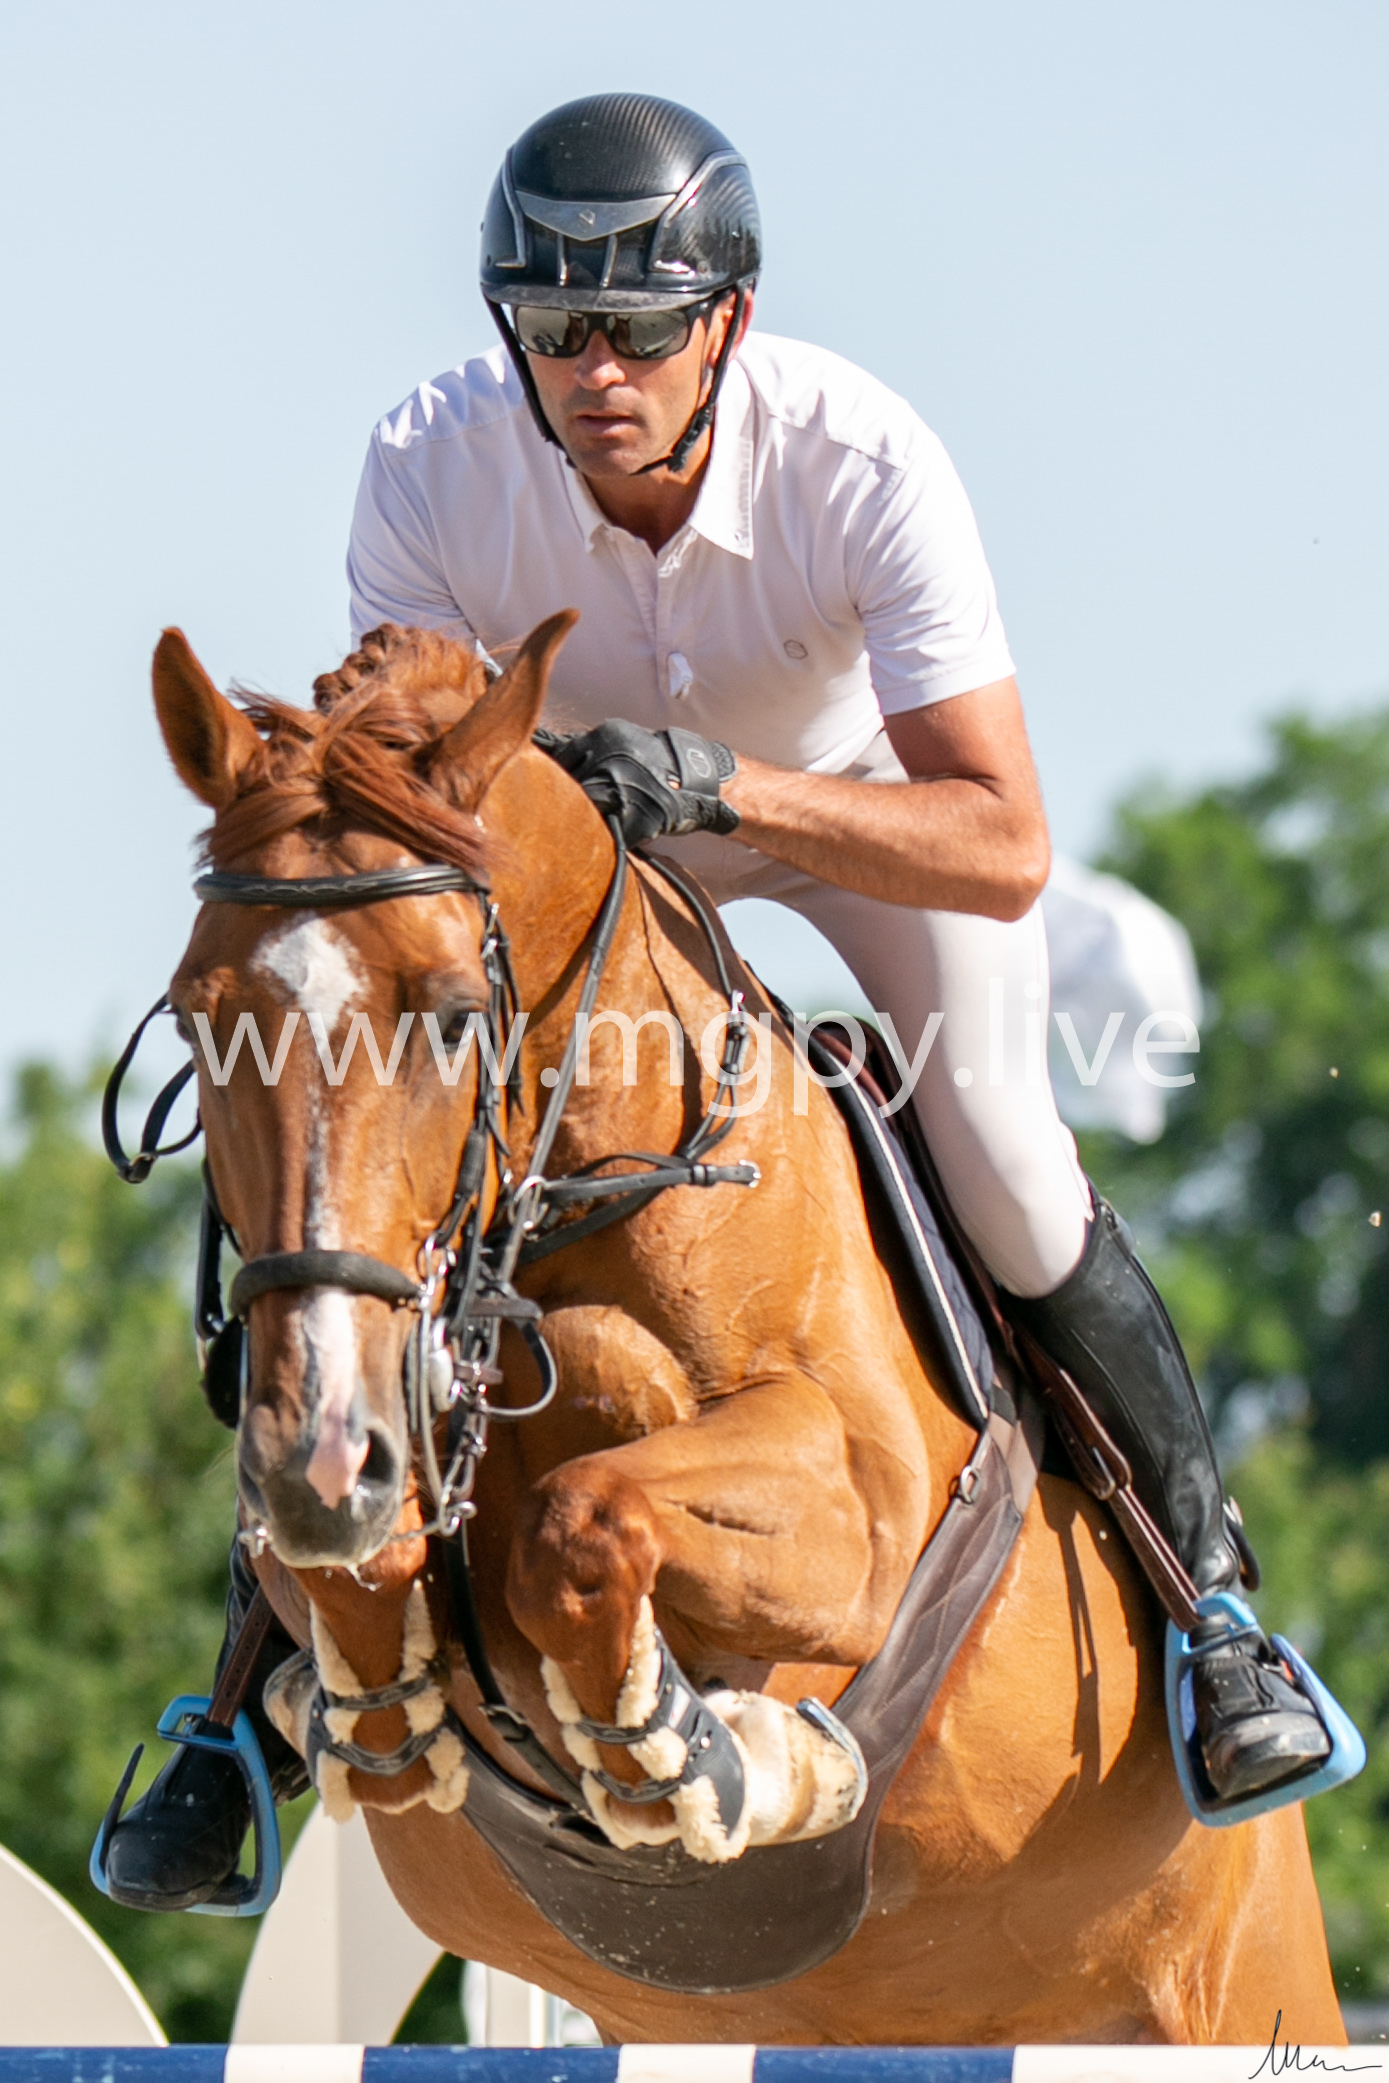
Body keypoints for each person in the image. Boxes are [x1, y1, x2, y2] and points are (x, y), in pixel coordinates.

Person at [104, 92, 1329, 1911]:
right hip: (574, 871)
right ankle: (258, 1676)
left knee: (1003, 1153)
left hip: (847, 828)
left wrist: (727, 790)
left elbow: (1002, 842)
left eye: (637, 329)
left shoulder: (862, 457)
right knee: (367, 1149)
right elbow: (401, 787)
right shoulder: (429, 460)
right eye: (552, 328)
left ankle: (1208, 1606)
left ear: (726, 321)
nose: (593, 372)